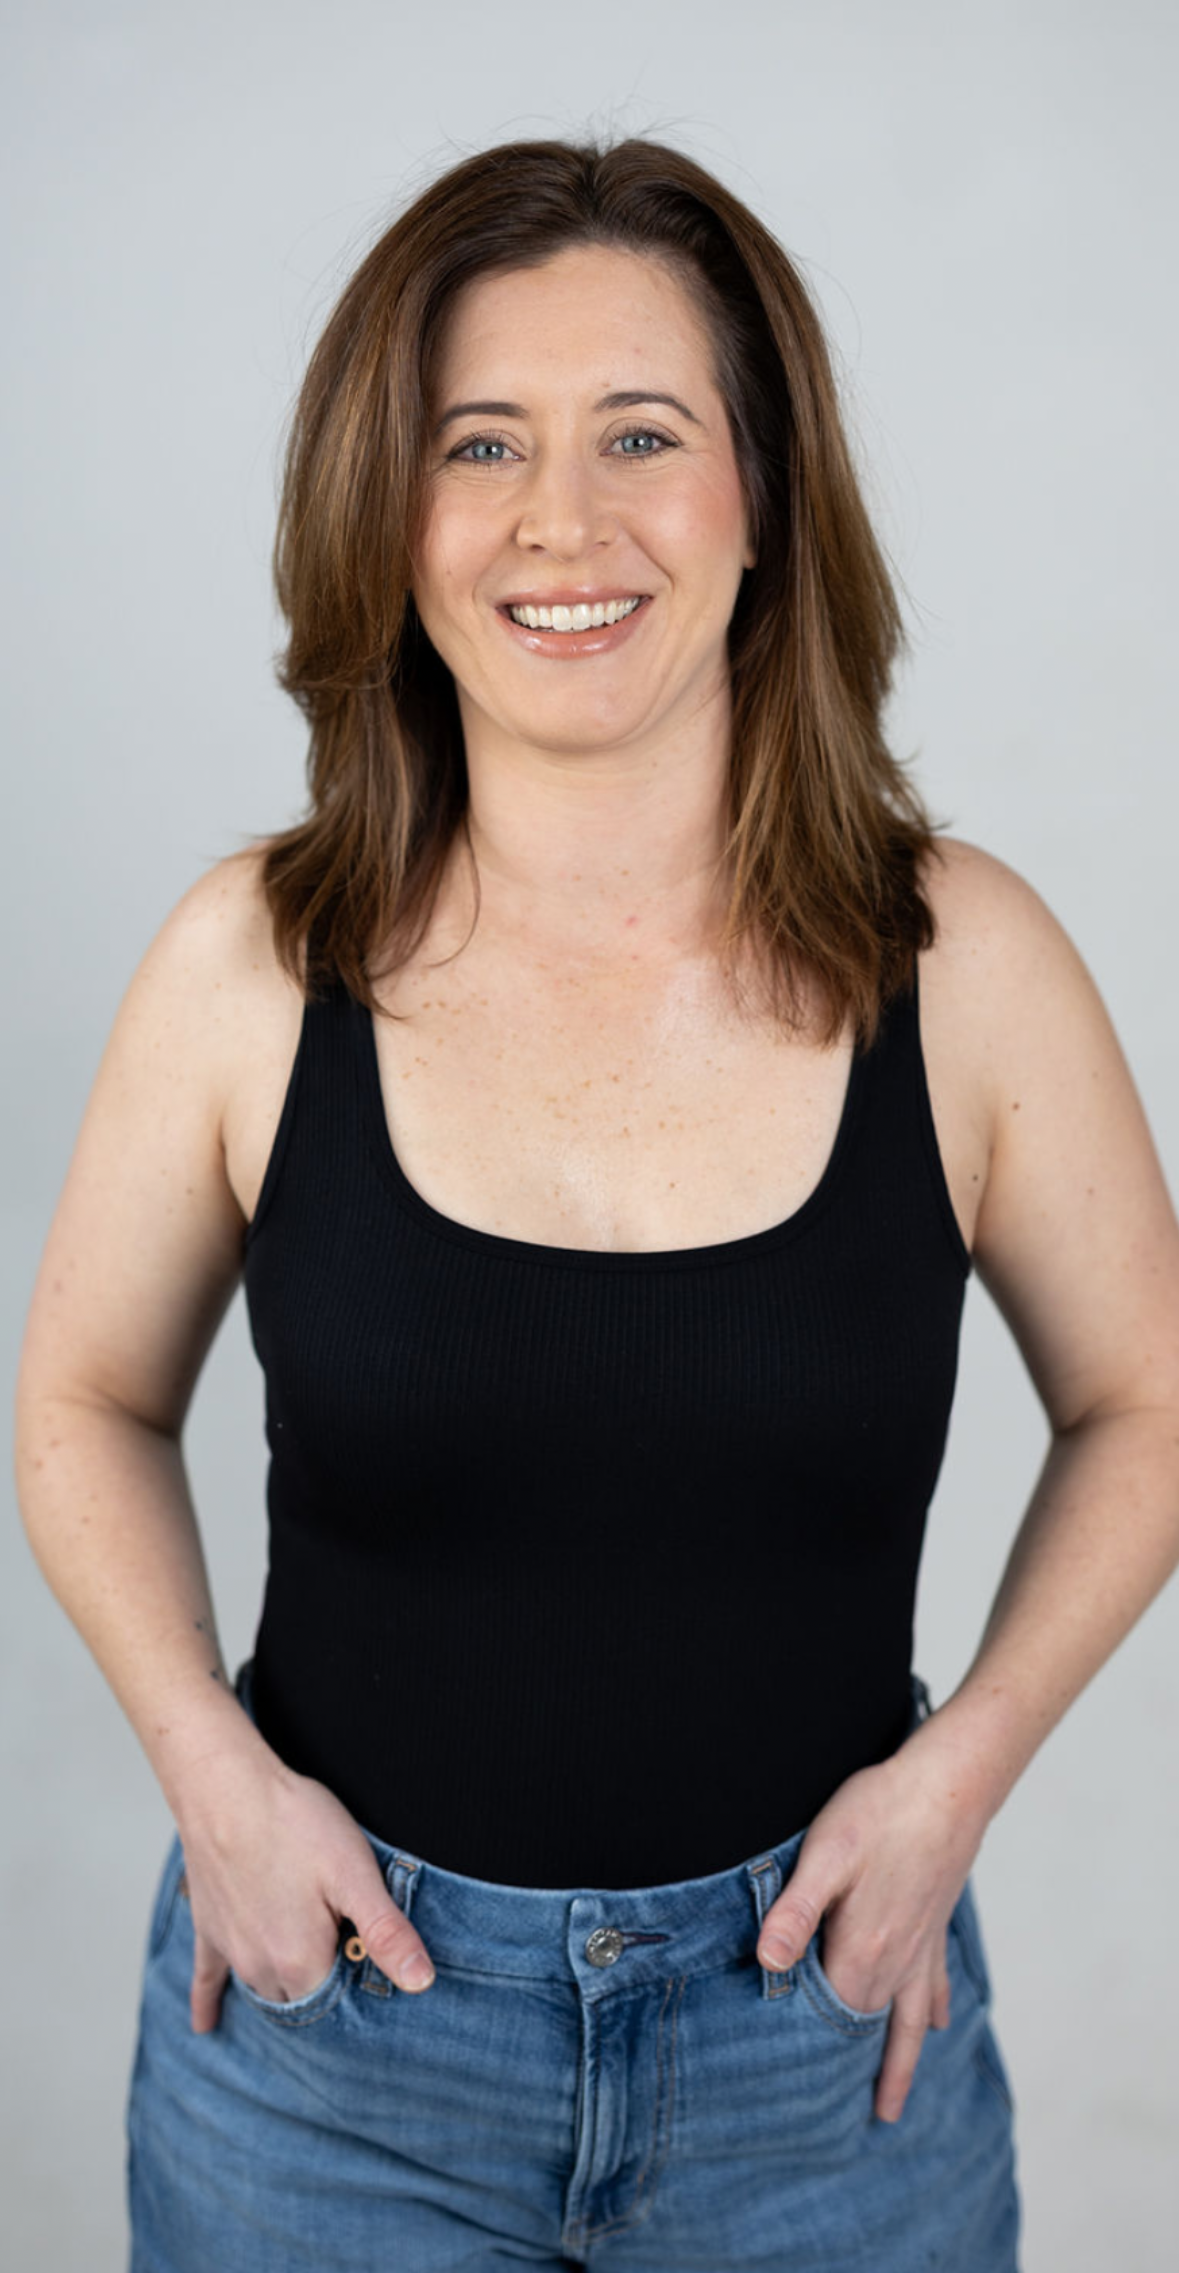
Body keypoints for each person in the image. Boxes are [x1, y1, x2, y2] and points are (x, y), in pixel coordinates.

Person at [14, 133, 1179, 2273]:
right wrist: (208, 1768)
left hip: (825, 2055)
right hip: (330, 2051)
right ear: (393, 520)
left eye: (641, 432)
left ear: (763, 499)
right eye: (482, 445)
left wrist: (959, 1780)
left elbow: (1151, 1398)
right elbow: (82, 1392)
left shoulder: (965, 965)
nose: (564, 521)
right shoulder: (248, 964)